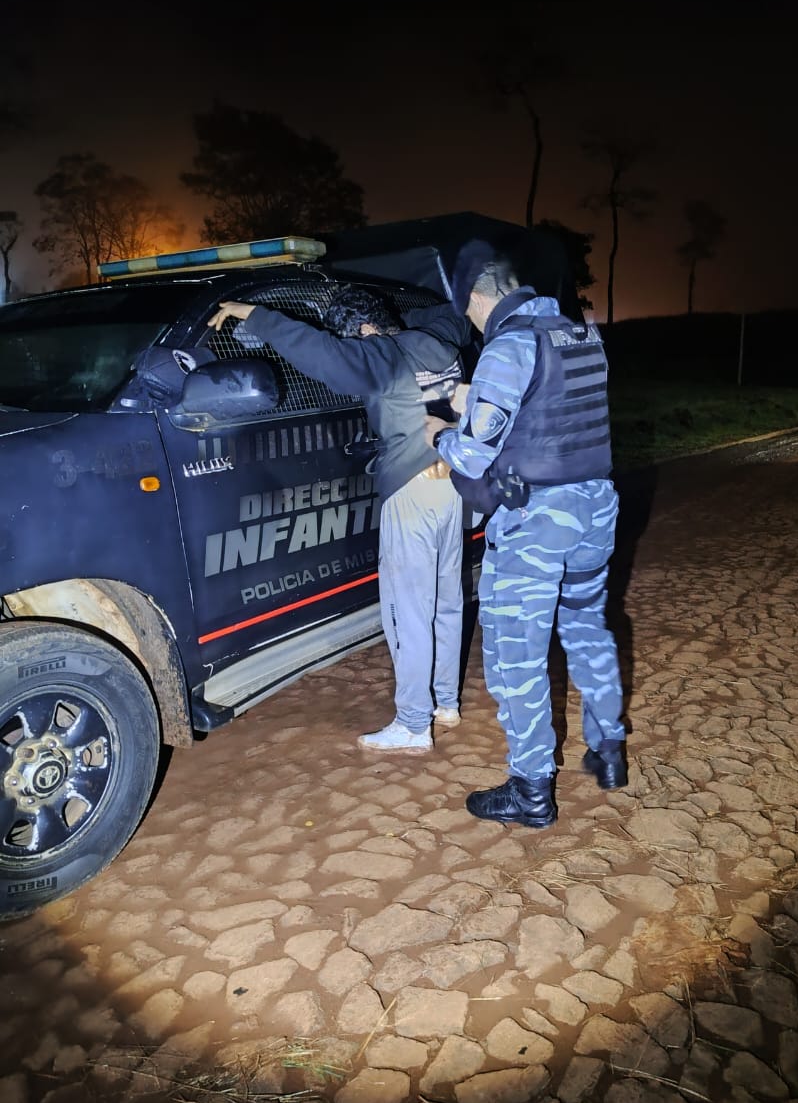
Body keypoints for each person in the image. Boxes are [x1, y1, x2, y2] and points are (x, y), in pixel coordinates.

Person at [208, 287, 473, 753]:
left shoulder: (381, 356)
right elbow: (455, 311)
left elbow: (317, 351)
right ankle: (445, 703)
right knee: (446, 599)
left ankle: (414, 723)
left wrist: (253, 313)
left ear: (364, 331)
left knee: (407, 612)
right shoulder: (440, 340)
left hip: (411, 490)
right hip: (451, 483)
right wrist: (401, 320)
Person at [424, 240, 627, 828]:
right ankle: (608, 752)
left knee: (516, 652)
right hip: (595, 508)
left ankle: (531, 791)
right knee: (586, 627)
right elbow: (549, 408)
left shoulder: (508, 346)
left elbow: (472, 455)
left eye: (466, 308)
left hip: (538, 521)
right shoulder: (581, 335)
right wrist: (476, 398)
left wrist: (438, 431)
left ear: (476, 297)